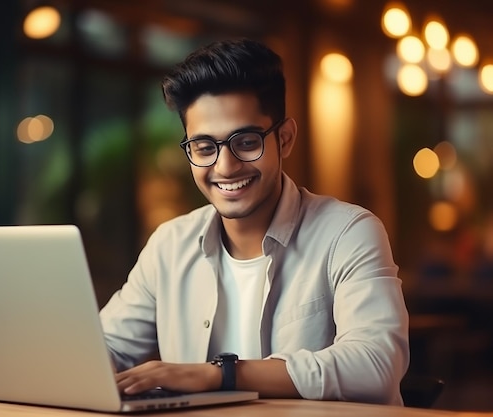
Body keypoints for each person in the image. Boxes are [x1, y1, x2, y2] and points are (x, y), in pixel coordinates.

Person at [99, 38, 409, 406]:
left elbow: (376, 364)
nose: (225, 167)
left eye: (246, 142)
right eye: (204, 147)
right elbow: (106, 346)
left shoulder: (349, 232)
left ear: (286, 138)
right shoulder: (170, 244)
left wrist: (220, 375)